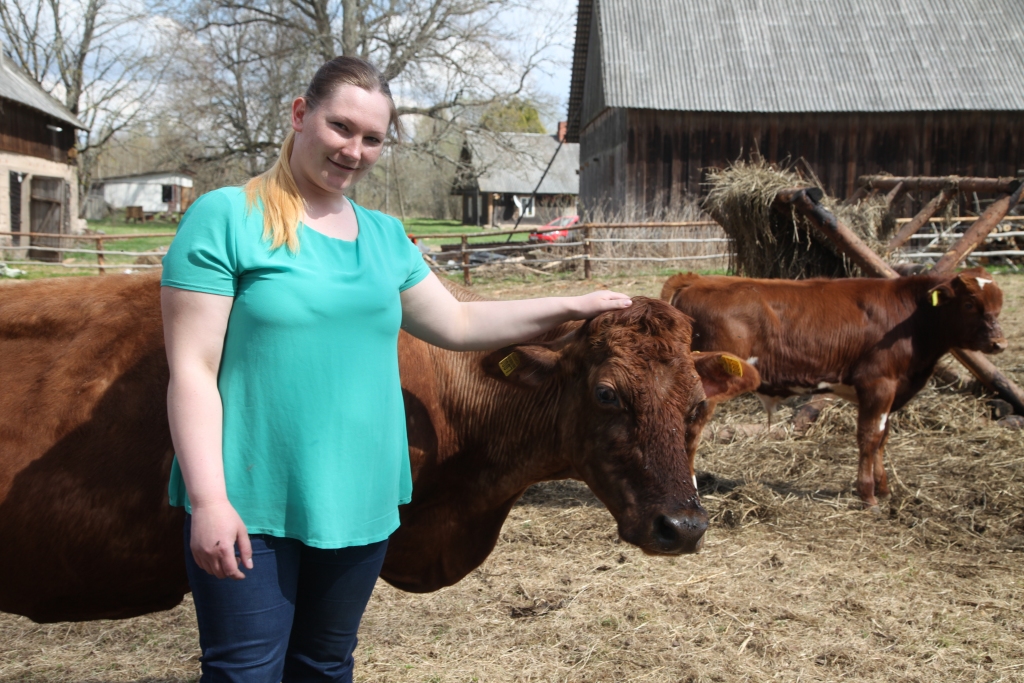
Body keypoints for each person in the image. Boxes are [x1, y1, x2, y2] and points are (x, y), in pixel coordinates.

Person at [160, 56, 631, 683]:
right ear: (301, 115)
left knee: (325, 666)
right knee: (245, 671)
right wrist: (209, 501)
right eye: (341, 127)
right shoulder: (227, 217)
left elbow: (457, 323)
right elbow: (192, 369)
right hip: (252, 499)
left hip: (361, 498)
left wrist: (571, 305)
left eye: (372, 138)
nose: (354, 151)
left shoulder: (384, 237)